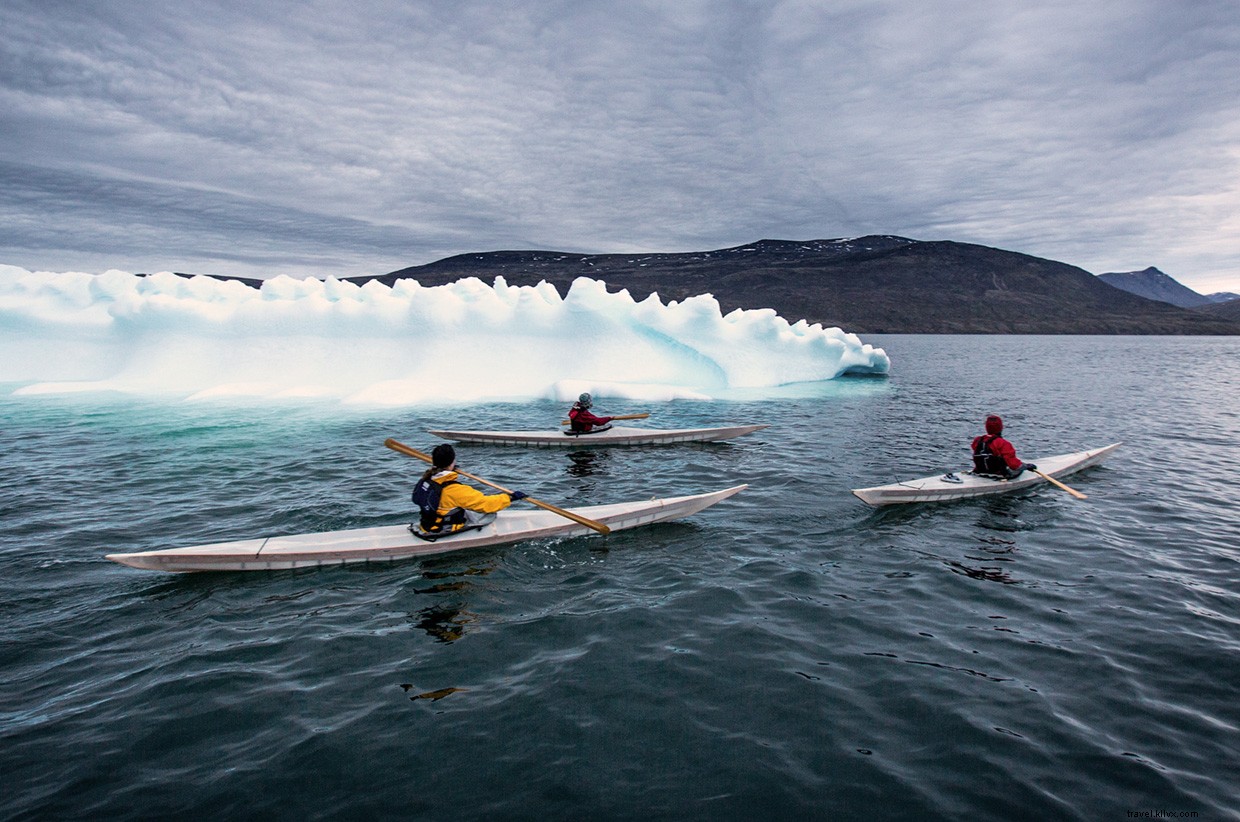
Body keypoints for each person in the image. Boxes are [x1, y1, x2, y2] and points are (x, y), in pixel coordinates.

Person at [411, 443, 527, 537]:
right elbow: (486, 504)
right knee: (488, 513)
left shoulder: (427, 479)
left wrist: (451, 470)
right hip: (444, 528)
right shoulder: (454, 489)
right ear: (452, 462)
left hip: (426, 523)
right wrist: (510, 498)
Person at [971, 414, 1037, 479]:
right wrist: (1025, 466)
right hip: (999, 474)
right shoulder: (1003, 443)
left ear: (986, 427)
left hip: (980, 471)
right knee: (1019, 468)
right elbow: (1013, 465)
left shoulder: (977, 440)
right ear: (1001, 427)